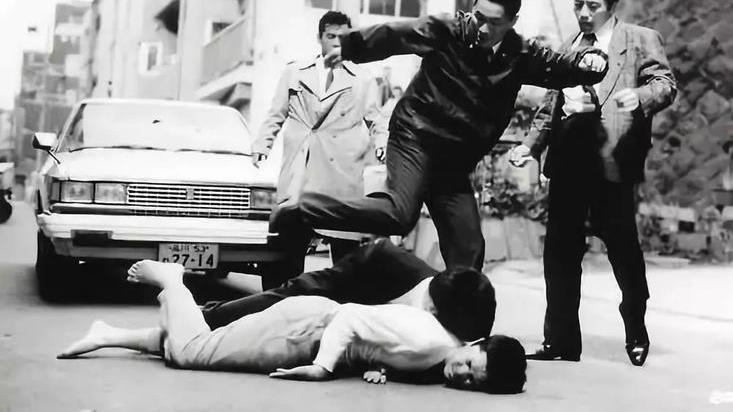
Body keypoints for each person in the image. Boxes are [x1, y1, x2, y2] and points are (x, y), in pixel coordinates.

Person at [272, 0, 609, 274]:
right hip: (416, 138)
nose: (482, 29)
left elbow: (560, 66)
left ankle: (457, 324)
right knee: (399, 215)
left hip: (454, 162)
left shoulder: (521, 54)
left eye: (494, 23)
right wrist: (350, 45)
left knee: (469, 249)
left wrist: (592, 60)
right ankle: (304, 208)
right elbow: (395, 35)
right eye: (479, 17)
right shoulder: (448, 30)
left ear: (512, 22)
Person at [57, 260, 527, 394]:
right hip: (307, 330)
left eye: (473, 382)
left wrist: (383, 363)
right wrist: (324, 368)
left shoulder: (439, 348)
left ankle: (108, 335)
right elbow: (351, 316)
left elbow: (382, 335)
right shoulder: (430, 341)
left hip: (308, 326)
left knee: (211, 342)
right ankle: (173, 280)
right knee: (193, 350)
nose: (462, 375)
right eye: (471, 365)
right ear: (477, 342)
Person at [509, 0, 676, 366]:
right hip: (568, 161)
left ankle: (635, 325)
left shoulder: (639, 39)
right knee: (560, 253)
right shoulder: (569, 45)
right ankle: (561, 340)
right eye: (578, 5)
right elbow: (551, 106)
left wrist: (641, 96)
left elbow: (665, 84)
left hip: (611, 162)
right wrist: (529, 146)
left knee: (624, 251)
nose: (584, 13)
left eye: (593, 5)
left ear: (611, 5)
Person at [251, 11, 387, 285]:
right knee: (288, 245)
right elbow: (276, 113)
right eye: (331, 36)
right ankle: (281, 299)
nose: (337, 42)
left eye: (343, 37)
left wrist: (382, 144)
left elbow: (377, 120)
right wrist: (263, 143)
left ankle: (343, 301)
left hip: (340, 169)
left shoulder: (362, 78)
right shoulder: (295, 71)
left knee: (345, 248)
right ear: (319, 38)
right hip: (300, 167)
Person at [201, 238, 496, 343]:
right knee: (295, 294)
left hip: (384, 292)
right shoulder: (432, 306)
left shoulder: (462, 308)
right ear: (433, 310)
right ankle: (211, 316)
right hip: (369, 268)